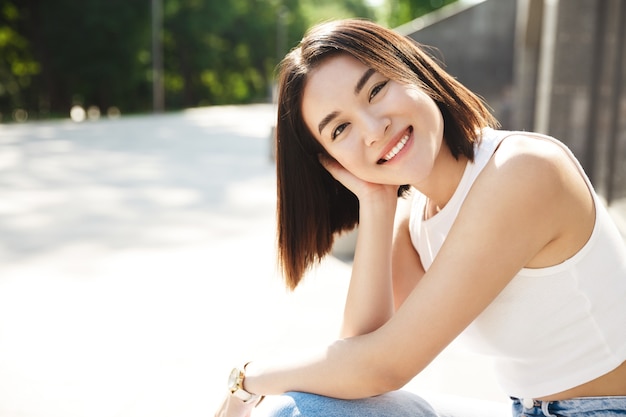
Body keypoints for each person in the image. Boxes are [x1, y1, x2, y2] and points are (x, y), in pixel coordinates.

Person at [215, 18, 626, 417]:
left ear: (412, 70)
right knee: (312, 410)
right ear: (330, 161)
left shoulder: (521, 172)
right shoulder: (415, 222)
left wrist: (248, 379)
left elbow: (383, 366)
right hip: (527, 408)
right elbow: (355, 368)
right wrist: (376, 203)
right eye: (340, 130)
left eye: (375, 90)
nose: (374, 130)